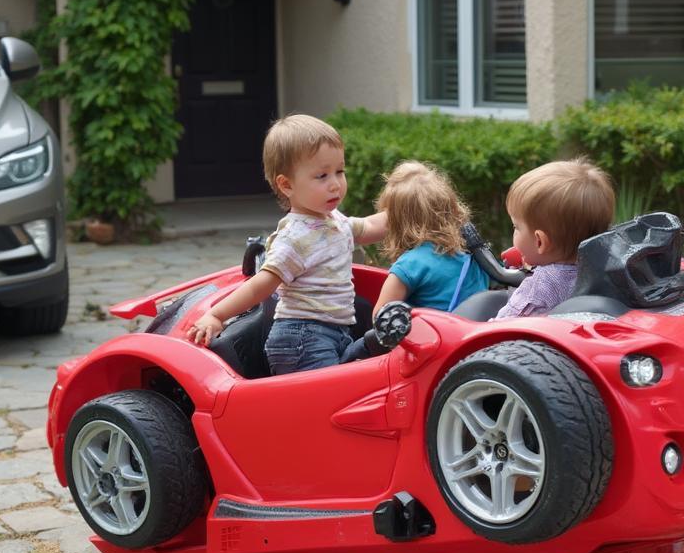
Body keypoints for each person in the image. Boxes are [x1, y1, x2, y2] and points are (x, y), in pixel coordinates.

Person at [186, 114, 404, 373]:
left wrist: (409, 209)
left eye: (340, 171)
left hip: (332, 331)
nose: (335, 184)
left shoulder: (333, 220)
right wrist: (216, 315)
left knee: (351, 381)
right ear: (286, 185)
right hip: (302, 337)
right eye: (322, 176)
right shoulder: (295, 237)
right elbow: (260, 286)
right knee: (332, 395)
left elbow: (369, 227)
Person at [341, 161, 489, 361]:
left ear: (394, 222)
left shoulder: (410, 264)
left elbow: (382, 319)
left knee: (354, 336)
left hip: (428, 350)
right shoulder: (473, 258)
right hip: (466, 342)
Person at [493, 158, 616, 320]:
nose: (514, 232)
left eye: (516, 227)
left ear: (540, 242)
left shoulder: (538, 288)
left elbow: (500, 329)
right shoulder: (607, 270)